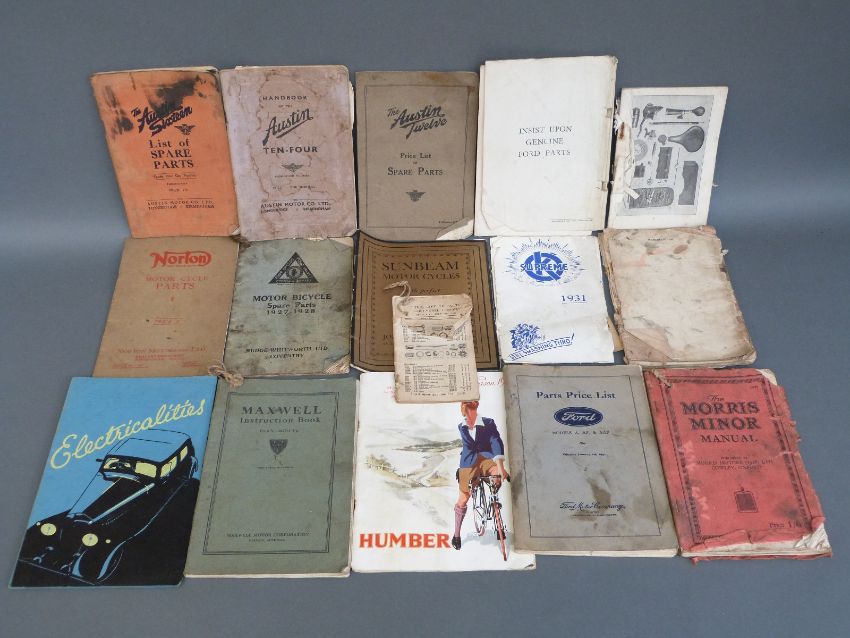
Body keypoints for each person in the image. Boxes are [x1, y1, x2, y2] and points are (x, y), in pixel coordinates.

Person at [451, 400, 509, 550]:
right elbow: (469, 447)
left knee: (496, 478)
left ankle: (497, 519)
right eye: (466, 408)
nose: (469, 412)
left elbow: (496, 441)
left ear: (476, 406)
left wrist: (500, 466)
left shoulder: (488, 423)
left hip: (487, 459)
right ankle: (456, 534)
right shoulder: (461, 427)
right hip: (469, 462)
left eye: (471, 407)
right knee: (463, 499)